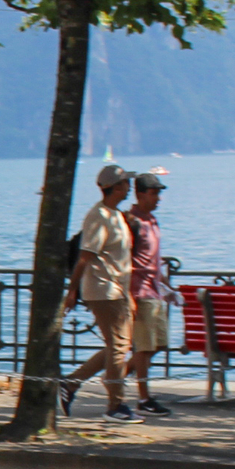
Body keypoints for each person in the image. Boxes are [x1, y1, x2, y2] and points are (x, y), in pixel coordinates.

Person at [59, 163, 137, 422]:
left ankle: (70, 383)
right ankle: (116, 405)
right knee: (118, 347)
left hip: (118, 290)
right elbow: (84, 257)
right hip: (103, 290)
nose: (130, 187)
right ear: (115, 187)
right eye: (126, 183)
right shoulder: (99, 216)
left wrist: (129, 294)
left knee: (119, 345)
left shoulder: (116, 215)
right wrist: (72, 291)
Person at [121, 172, 172, 417]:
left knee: (158, 344)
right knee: (142, 348)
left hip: (155, 291)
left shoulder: (152, 221)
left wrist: (168, 287)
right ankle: (144, 398)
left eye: (159, 193)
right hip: (139, 292)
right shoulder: (131, 222)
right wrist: (128, 295)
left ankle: (115, 377)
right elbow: (124, 261)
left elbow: (155, 260)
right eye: (153, 194)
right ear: (139, 194)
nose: (158, 198)